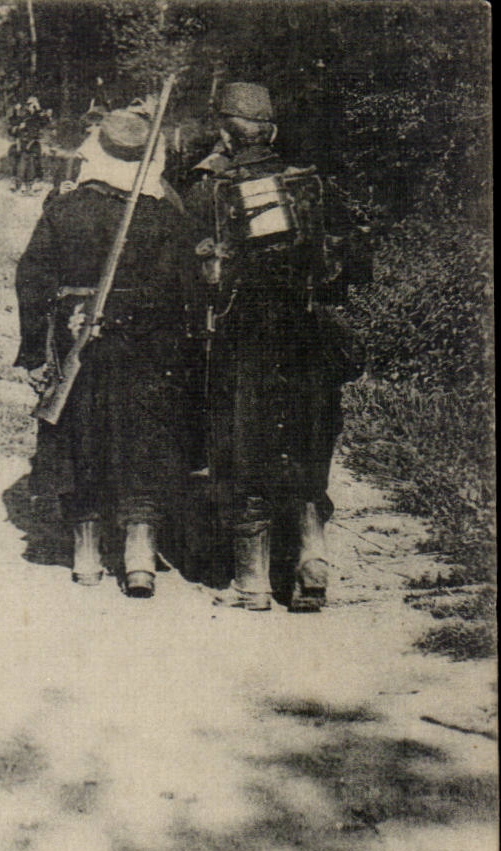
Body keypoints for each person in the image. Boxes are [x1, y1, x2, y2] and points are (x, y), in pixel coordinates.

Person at [187, 83, 368, 611]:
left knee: (244, 447)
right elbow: (356, 259)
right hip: (306, 333)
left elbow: (185, 275)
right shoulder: (309, 184)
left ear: (225, 134)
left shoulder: (209, 191)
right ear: (271, 132)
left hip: (243, 339)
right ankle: (312, 558)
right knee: (309, 441)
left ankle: (253, 581)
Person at [14, 109, 203, 597]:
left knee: (81, 436)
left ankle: (87, 554)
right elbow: (187, 288)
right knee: (144, 437)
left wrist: (34, 351)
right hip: (149, 344)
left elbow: (32, 279)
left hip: (78, 338)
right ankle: (140, 555)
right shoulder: (164, 215)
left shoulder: (65, 209)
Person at [11, 96, 49, 192]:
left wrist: (39, 109)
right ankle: (18, 183)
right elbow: (13, 125)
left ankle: (32, 184)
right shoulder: (23, 115)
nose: (31, 107)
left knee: (35, 163)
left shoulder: (38, 116)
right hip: (23, 141)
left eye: (33, 105)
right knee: (20, 162)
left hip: (34, 143)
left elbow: (45, 122)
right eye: (29, 104)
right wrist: (16, 113)